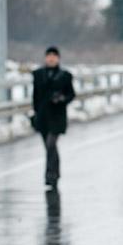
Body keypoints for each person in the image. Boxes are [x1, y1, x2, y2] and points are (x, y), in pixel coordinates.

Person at [32, 46, 75, 189]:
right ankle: (55, 173)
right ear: (45, 58)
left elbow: (71, 94)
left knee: (51, 144)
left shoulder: (65, 76)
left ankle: (50, 175)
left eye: (54, 56)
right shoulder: (38, 75)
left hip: (57, 116)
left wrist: (62, 99)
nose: (51, 59)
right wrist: (35, 113)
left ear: (58, 58)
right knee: (49, 147)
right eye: (49, 56)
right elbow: (35, 96)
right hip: (42, 116)